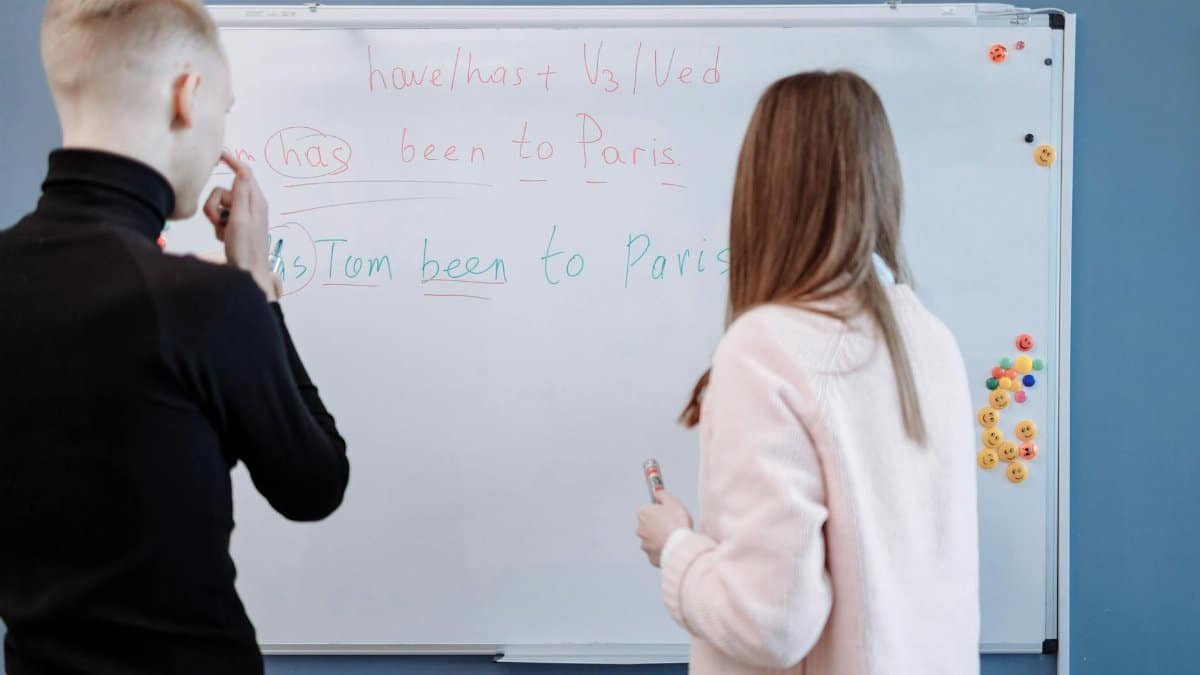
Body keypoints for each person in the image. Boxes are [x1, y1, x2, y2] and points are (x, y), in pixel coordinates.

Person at [0, 2, 349, 673]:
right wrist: (256, 283)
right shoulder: (202, 301)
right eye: (224, 107)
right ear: (187, 96)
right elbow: (314, 482)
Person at [635, 71, 980, 674]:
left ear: (763, 187)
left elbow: (770, 622)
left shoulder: (767, 346)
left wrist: (675, 548)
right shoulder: (928, 337)